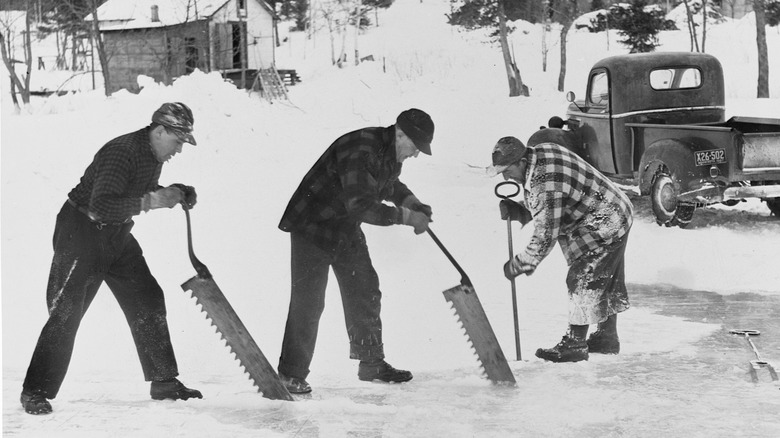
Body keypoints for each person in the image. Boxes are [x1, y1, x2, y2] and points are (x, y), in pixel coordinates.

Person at [21, 102, 203, 415]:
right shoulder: (122, 152)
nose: (179, 150)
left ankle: (163, 381)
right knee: (66, 312)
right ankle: (34, 391)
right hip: (80, 231)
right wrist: (152, 200)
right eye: (177, 141)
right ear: (159, 131)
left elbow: (134, 193)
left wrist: (174, 191)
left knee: (147, 295)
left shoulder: (151, 154)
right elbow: (100, 206)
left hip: (115, 235)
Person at [277, 109, 435, 394]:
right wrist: (407, 217)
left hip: (343, 226)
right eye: (415, 147)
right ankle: (290, 374)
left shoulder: (387, 150)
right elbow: (362, 205)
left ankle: (371, 363)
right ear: (401, 134)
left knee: (364, 289)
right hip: (313, 225)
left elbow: (388, 183)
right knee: (309, 301)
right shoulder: (363, 148)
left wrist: (412, 202)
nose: (415, 155)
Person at [489, 136, 633, 363]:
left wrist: (522, 262)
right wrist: (522, 210)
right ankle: (606, 337)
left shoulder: (544, 182)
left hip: (604, 221)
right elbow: (557, 197)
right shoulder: (542, 152)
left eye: (507, 170)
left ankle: (574, 344)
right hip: (614, 209)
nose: (506, 177)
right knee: (605, 278)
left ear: (522, 162)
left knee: (582, 277)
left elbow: (546, 234)